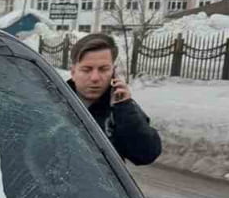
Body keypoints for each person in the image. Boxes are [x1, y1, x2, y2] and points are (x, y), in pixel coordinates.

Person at [67, 33, 162, 166]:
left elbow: (146, 154)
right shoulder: (54, 101)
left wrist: (125, 108)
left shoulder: (121, 108)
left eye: (103, 69)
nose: (95, 77)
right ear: (73, 72)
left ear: (113, 72)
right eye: (87, 70)